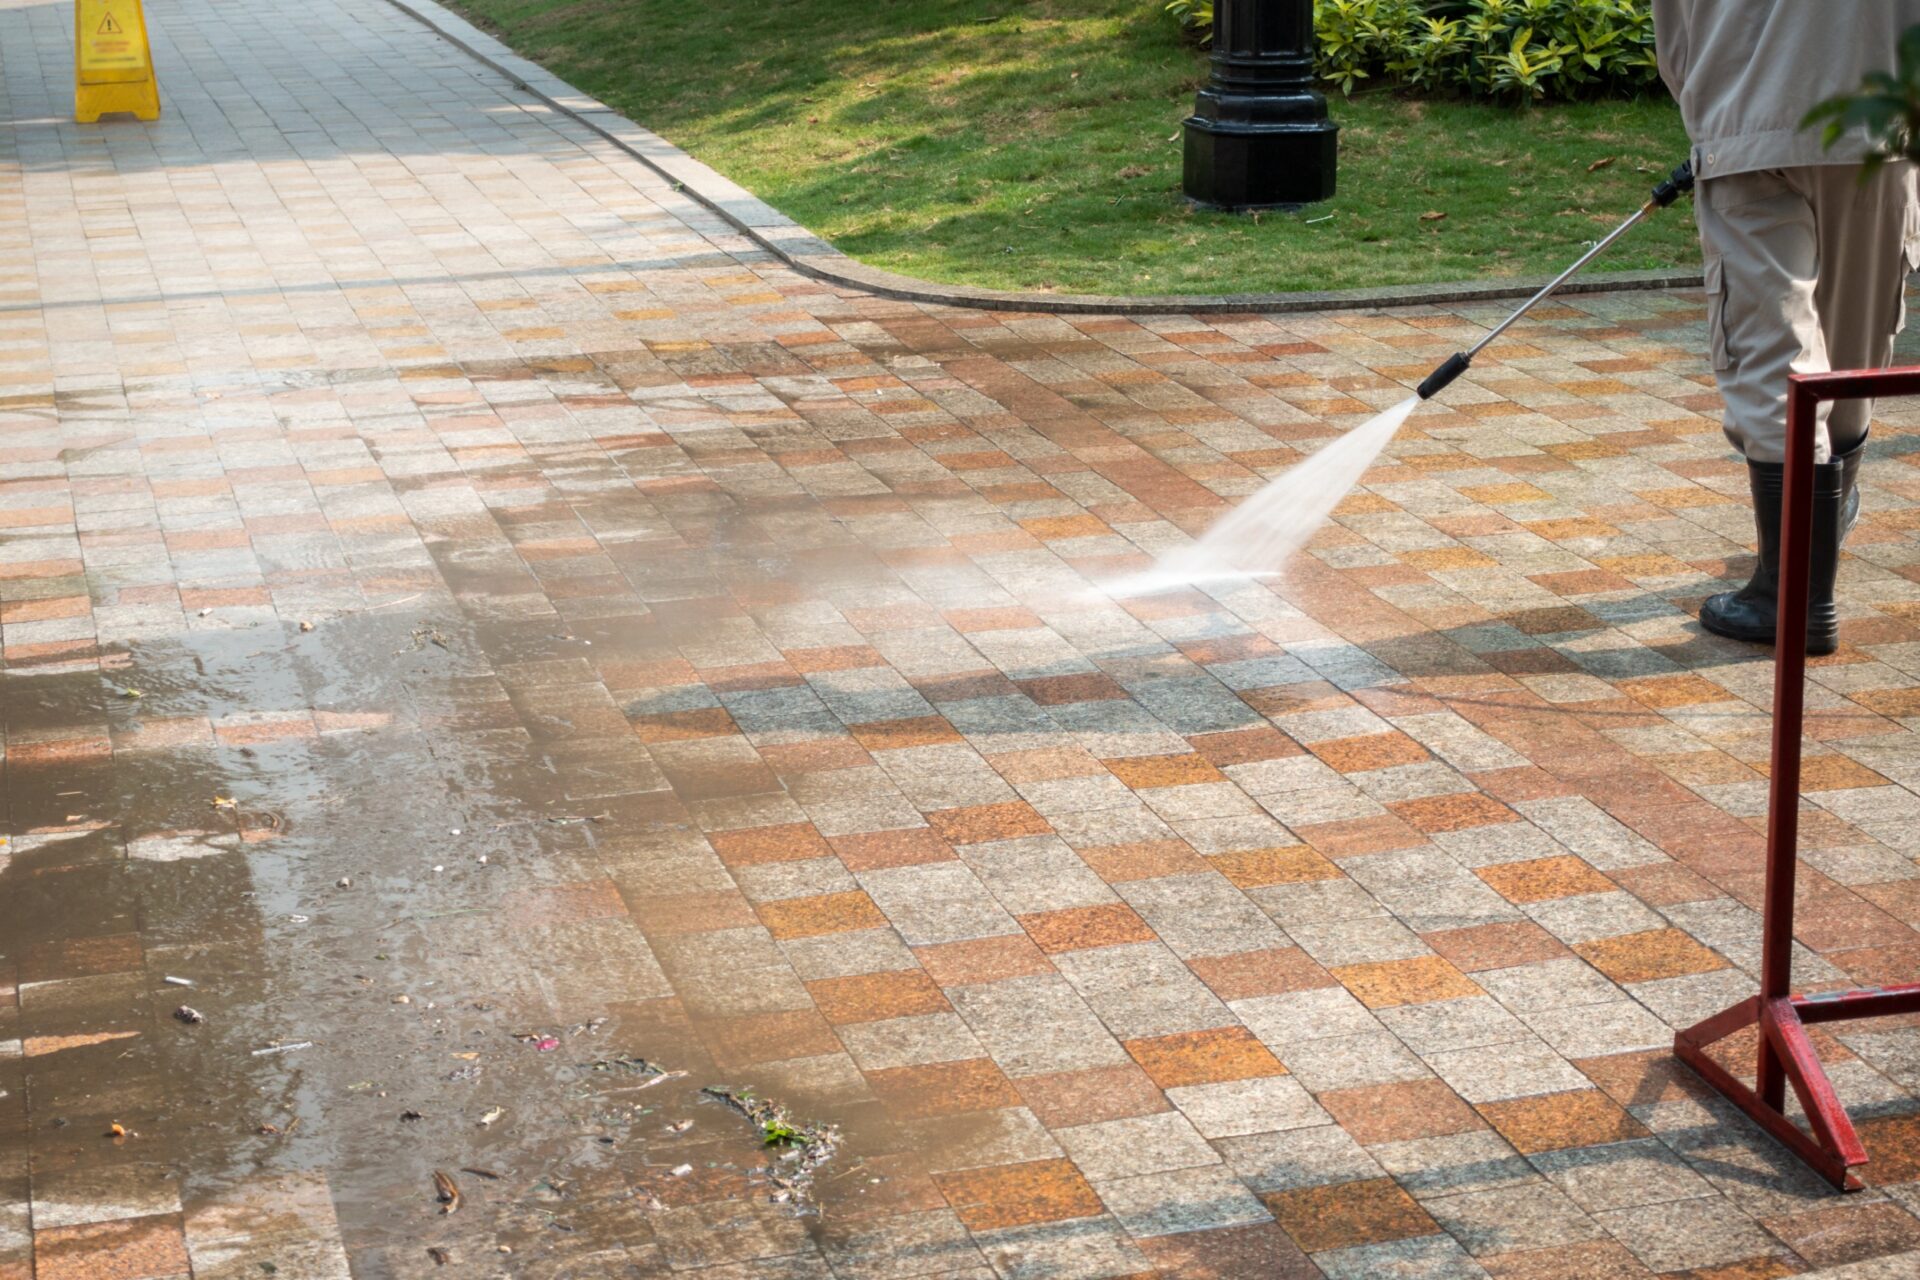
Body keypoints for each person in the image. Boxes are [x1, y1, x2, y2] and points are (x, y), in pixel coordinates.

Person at [1655, 1, 1920, 655]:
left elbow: (1676, 37)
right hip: (1881, 120)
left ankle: (1791, 597)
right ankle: (1821, 536)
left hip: (1753, 126)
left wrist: (1715, 115)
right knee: (1856, 344)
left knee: (1777, 360)